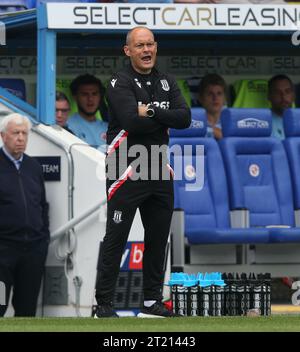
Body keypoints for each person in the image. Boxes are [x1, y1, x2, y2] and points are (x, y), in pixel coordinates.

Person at [94, 26, 191, 318]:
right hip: (125, 168)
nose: (146, 50)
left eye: (150, 45)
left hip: (159, 167)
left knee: (158, 237)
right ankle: (104, 303)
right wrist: (163, 117)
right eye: (140, 46)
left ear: (156, 47)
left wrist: (149, 111)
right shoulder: (118, 81)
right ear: (128, 51)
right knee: (117, 237)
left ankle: (151, 301)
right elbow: (129, 121)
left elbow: (184, 118)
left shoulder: (167, 81)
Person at [0, 113, 49, 317]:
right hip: (3, 253)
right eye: (15, 133)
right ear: (3, 136)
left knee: (27, 311)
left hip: (33, 252)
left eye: (24, 133)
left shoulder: (33, 167)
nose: (20, 138)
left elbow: (42, 206)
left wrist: (43, 239)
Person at [68, 74, 108, 150]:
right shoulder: (68, 126)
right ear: (75, 97)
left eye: (94, 94)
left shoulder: (108, 128)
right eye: (84, 94)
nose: (90, 99)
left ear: (100, 96)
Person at [198, 73, 227, 140]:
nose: (215, 98)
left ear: (224, 98)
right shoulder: (193, 122)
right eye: (210, 94)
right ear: (200, 98)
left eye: (219, 93)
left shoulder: (232, 120)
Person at [268, 74, 295, 139]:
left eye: (287, 91)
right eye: (277, 92)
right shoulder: (263, 123)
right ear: (269, 96)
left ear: (293, 95)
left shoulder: (298, 119)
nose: (283, 97)